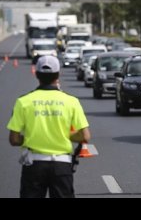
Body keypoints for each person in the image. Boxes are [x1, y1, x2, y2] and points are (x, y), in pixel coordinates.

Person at [7, 55, 91, 198]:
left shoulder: (23, 102)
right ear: (58, 75)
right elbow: (85, 136)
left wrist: (31, 137)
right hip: (62, 166)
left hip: (33, 165)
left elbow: (14, 139)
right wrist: (63, 135)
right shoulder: (71, 101)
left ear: (37, 74)